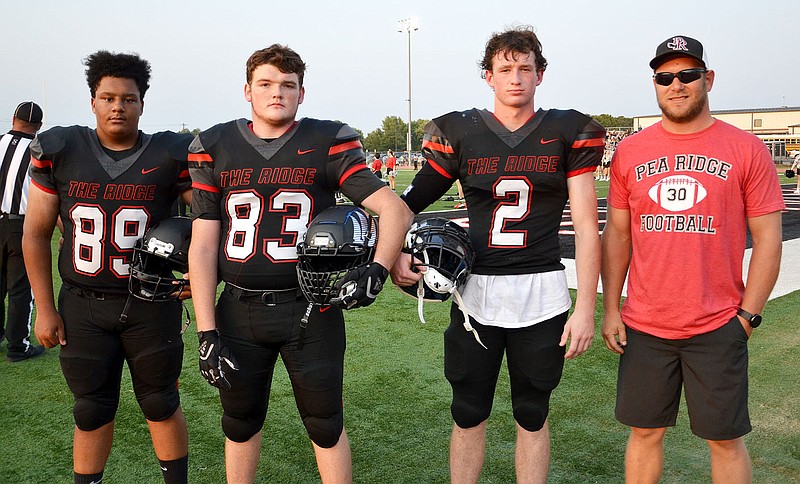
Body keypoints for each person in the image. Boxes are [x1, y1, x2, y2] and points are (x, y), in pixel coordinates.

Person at [187, 44, 412, 483]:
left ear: (302, 93)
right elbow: (203, 246)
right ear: (247, 90)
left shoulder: (326, 141)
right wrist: (206, 330)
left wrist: (378, 269)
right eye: (267, 84)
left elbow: (395, 210)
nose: (277, 93)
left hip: (310, 308)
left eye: (288, 85)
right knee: (238, 422)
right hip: (239, 308)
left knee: (325, 423)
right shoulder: (215, 145)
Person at [390, 26, 605, 483]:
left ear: (540, 75)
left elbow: (587, 227)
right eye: (505, 69)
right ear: (488, 76)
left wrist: (586, 306)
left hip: (543, 294)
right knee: (468, 412)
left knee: (532, 413)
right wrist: (392, 255)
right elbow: (405, 204)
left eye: (525, 68)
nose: (516, 78)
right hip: (477, 297)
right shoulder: (463, 132)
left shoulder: (566, 131)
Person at [601, 35, 784, 483]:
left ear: (708, 79)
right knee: (644, 433)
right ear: (655, 84)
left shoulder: (745, 148)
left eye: (687, 75)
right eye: (665, 78)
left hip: (718, 323)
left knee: (724, 439)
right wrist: (610, 309)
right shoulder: (631, 150)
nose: (676, 85)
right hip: (645, 324)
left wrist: (747, 316)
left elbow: (768, 239)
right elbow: (618, 235)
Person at [24, 51, 192, 484]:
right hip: (82, 304)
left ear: (142, 103)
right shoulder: (61, 149)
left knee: (160, 402)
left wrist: (199, 272)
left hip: (150, 303)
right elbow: (36, 234)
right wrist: (44, 307)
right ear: (93, 101)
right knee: (91, 407)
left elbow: (212, 221)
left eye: (129, 98)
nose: (118, 106)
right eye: (108, 97)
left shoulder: (170, 154)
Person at [1, 102, 45, 362]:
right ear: (39, 126)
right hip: (22, 225)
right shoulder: (38, 150)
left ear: (13, 118)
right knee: (20, 288)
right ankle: (17, 346)